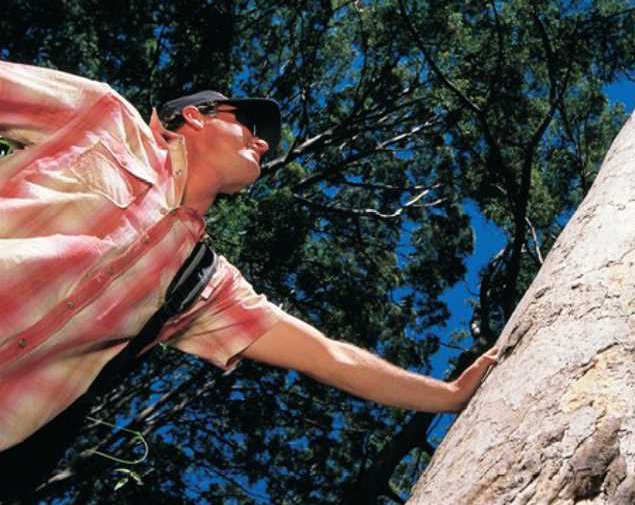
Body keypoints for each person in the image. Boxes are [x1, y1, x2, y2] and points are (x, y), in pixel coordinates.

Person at [0, 61, 498, 495]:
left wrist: (448, 395)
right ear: (194, 116)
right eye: (248, 124)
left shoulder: (201, 284)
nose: (261, 142)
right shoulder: (103, 119)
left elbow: (330, 357)